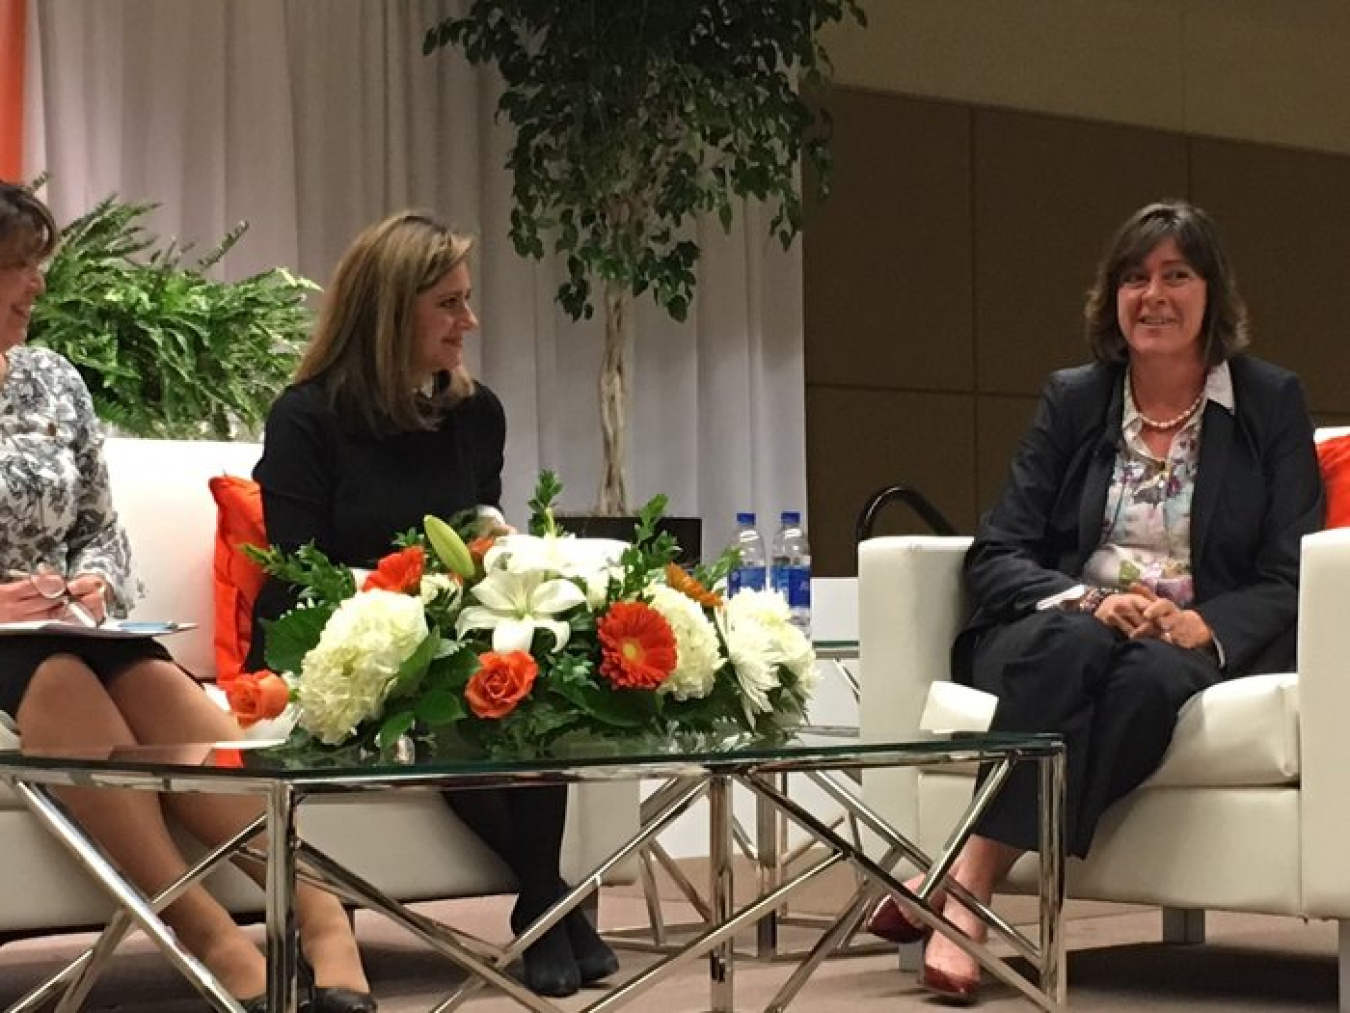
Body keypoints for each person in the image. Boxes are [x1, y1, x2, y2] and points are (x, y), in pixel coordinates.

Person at [866, 200, 1324, 1004]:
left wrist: (1201, 620)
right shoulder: (1075, 400)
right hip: (1062, 627)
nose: (1154, 295)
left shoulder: (1268, 403)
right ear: (1112, 299)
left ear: (1212, 294)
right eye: (1134, 277)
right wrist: (1084, 597)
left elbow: (1293, 568)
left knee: (1146, 681)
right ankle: (969, 894)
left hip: (1179, 642)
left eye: (1177, 275)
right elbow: (997, 550)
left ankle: (962, 877)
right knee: (1076, 647)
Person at [0, 181, 374, 1013]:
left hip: (74, 622)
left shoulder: (51, 381)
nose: (38, 286)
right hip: (7, 642)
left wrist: (96, 579)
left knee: (157, 683)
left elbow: (99, 520)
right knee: (57, 678)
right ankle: (213, 939)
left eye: (39, 265)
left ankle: (318, 911)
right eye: (20, 267)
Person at [246, 211, 619, 999]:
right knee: (448, 682)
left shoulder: (475, 414)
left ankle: (542, 900)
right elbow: (297, 572)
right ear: (391, 308)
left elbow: (479, 525)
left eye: (466, 300)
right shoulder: (305, 417)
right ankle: (549, 901)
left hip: (440, 628)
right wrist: (406, 601)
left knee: (518, 670)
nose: (469, 322)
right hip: (331, 635)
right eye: (449, 304)